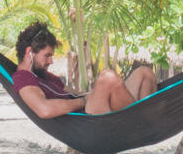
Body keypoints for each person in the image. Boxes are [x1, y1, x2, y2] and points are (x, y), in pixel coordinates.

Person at [11, 21, 157, 118]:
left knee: (144, 73)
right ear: (29, 52)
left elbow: (76, 93)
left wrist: (92, 94)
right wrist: (84, 101)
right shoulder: (23, 78)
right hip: (88, 122)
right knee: (108, 77)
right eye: (47, 55)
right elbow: (44, 110)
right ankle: (140, 122)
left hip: (94, 108)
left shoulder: (46, 76)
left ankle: (145, 121)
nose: (51, 61)